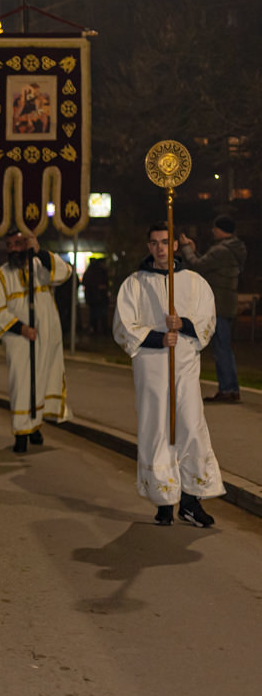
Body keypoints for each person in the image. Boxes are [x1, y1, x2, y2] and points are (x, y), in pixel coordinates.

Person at [113, 222, 224, 527]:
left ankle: (190, 501)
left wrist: (184, 324)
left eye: (165, 242)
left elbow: (207, 320)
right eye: (154, 243)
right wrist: (158, 338)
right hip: (151, 367)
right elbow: (123, 326)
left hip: (185, 366)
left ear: (175, 245)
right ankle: (164, 500)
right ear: (148, 247)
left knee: (189, 426)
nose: (160, 248)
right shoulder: (135, 284)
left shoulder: (194, 282)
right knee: (158, 430)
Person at [0, 230, 73, 453]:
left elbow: (64, 272)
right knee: (22, 384)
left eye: (18, 243)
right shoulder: (0, 276)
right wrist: (20, 328)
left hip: (46, 336)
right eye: (9, 244)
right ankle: (21, 433)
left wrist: (39, 251)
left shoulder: (40, 266)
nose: (13, 248)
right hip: (19, 339)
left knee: (41, 380)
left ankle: (34, 427)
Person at [179, 215, 247, 403]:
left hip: (218, 305)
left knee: (221, 348)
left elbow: (198, 266)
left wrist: (186, 248)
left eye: (214, 228)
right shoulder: (234, 248)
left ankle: (227, 390)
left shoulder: (222, 250)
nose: (212, 231)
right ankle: (231, 389)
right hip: (226, 303)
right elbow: (210, 267)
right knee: (223, 347)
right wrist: (195, 251)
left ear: (221, 229)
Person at [81, 257, 110, 335]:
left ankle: (95, 329)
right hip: (99, 297)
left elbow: (84, 282)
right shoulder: (101, 271)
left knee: (95, 315)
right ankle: (102, 330)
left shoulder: (90, 271)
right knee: (101, 315)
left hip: (94, 298)